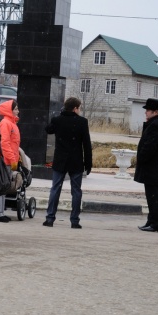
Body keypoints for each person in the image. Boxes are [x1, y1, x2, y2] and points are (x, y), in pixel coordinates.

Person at [43, 97, 92, 229]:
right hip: (76, 160)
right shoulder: (82, 122)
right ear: (75, 108)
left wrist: (59, 115)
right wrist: (88, 163)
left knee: (55, 188)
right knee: (76, 190)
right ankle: (74, 220)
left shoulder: (58, 120)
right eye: (79, 108)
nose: (80, 110)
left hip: (60, 159)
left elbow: (48, 129)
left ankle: (50, 218)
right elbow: (86, 144)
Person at [134, 98, 158, 233]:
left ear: (155, 112)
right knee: (155, 197)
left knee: (154, 198)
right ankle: (152, 221)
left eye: (148, 111)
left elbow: (149, 147)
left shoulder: (156, 125)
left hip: (153, 169)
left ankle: (156, 224)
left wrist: (141, 159)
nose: (146, 113)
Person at [0, 100, 20, 223]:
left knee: (2, 187)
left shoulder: (10, 123)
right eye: (16, 109)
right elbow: (4, 143)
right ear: (9, 110)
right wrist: (12, 159)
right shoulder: (6, 123)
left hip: (6, 159)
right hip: (3, 159)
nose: (18, 111)